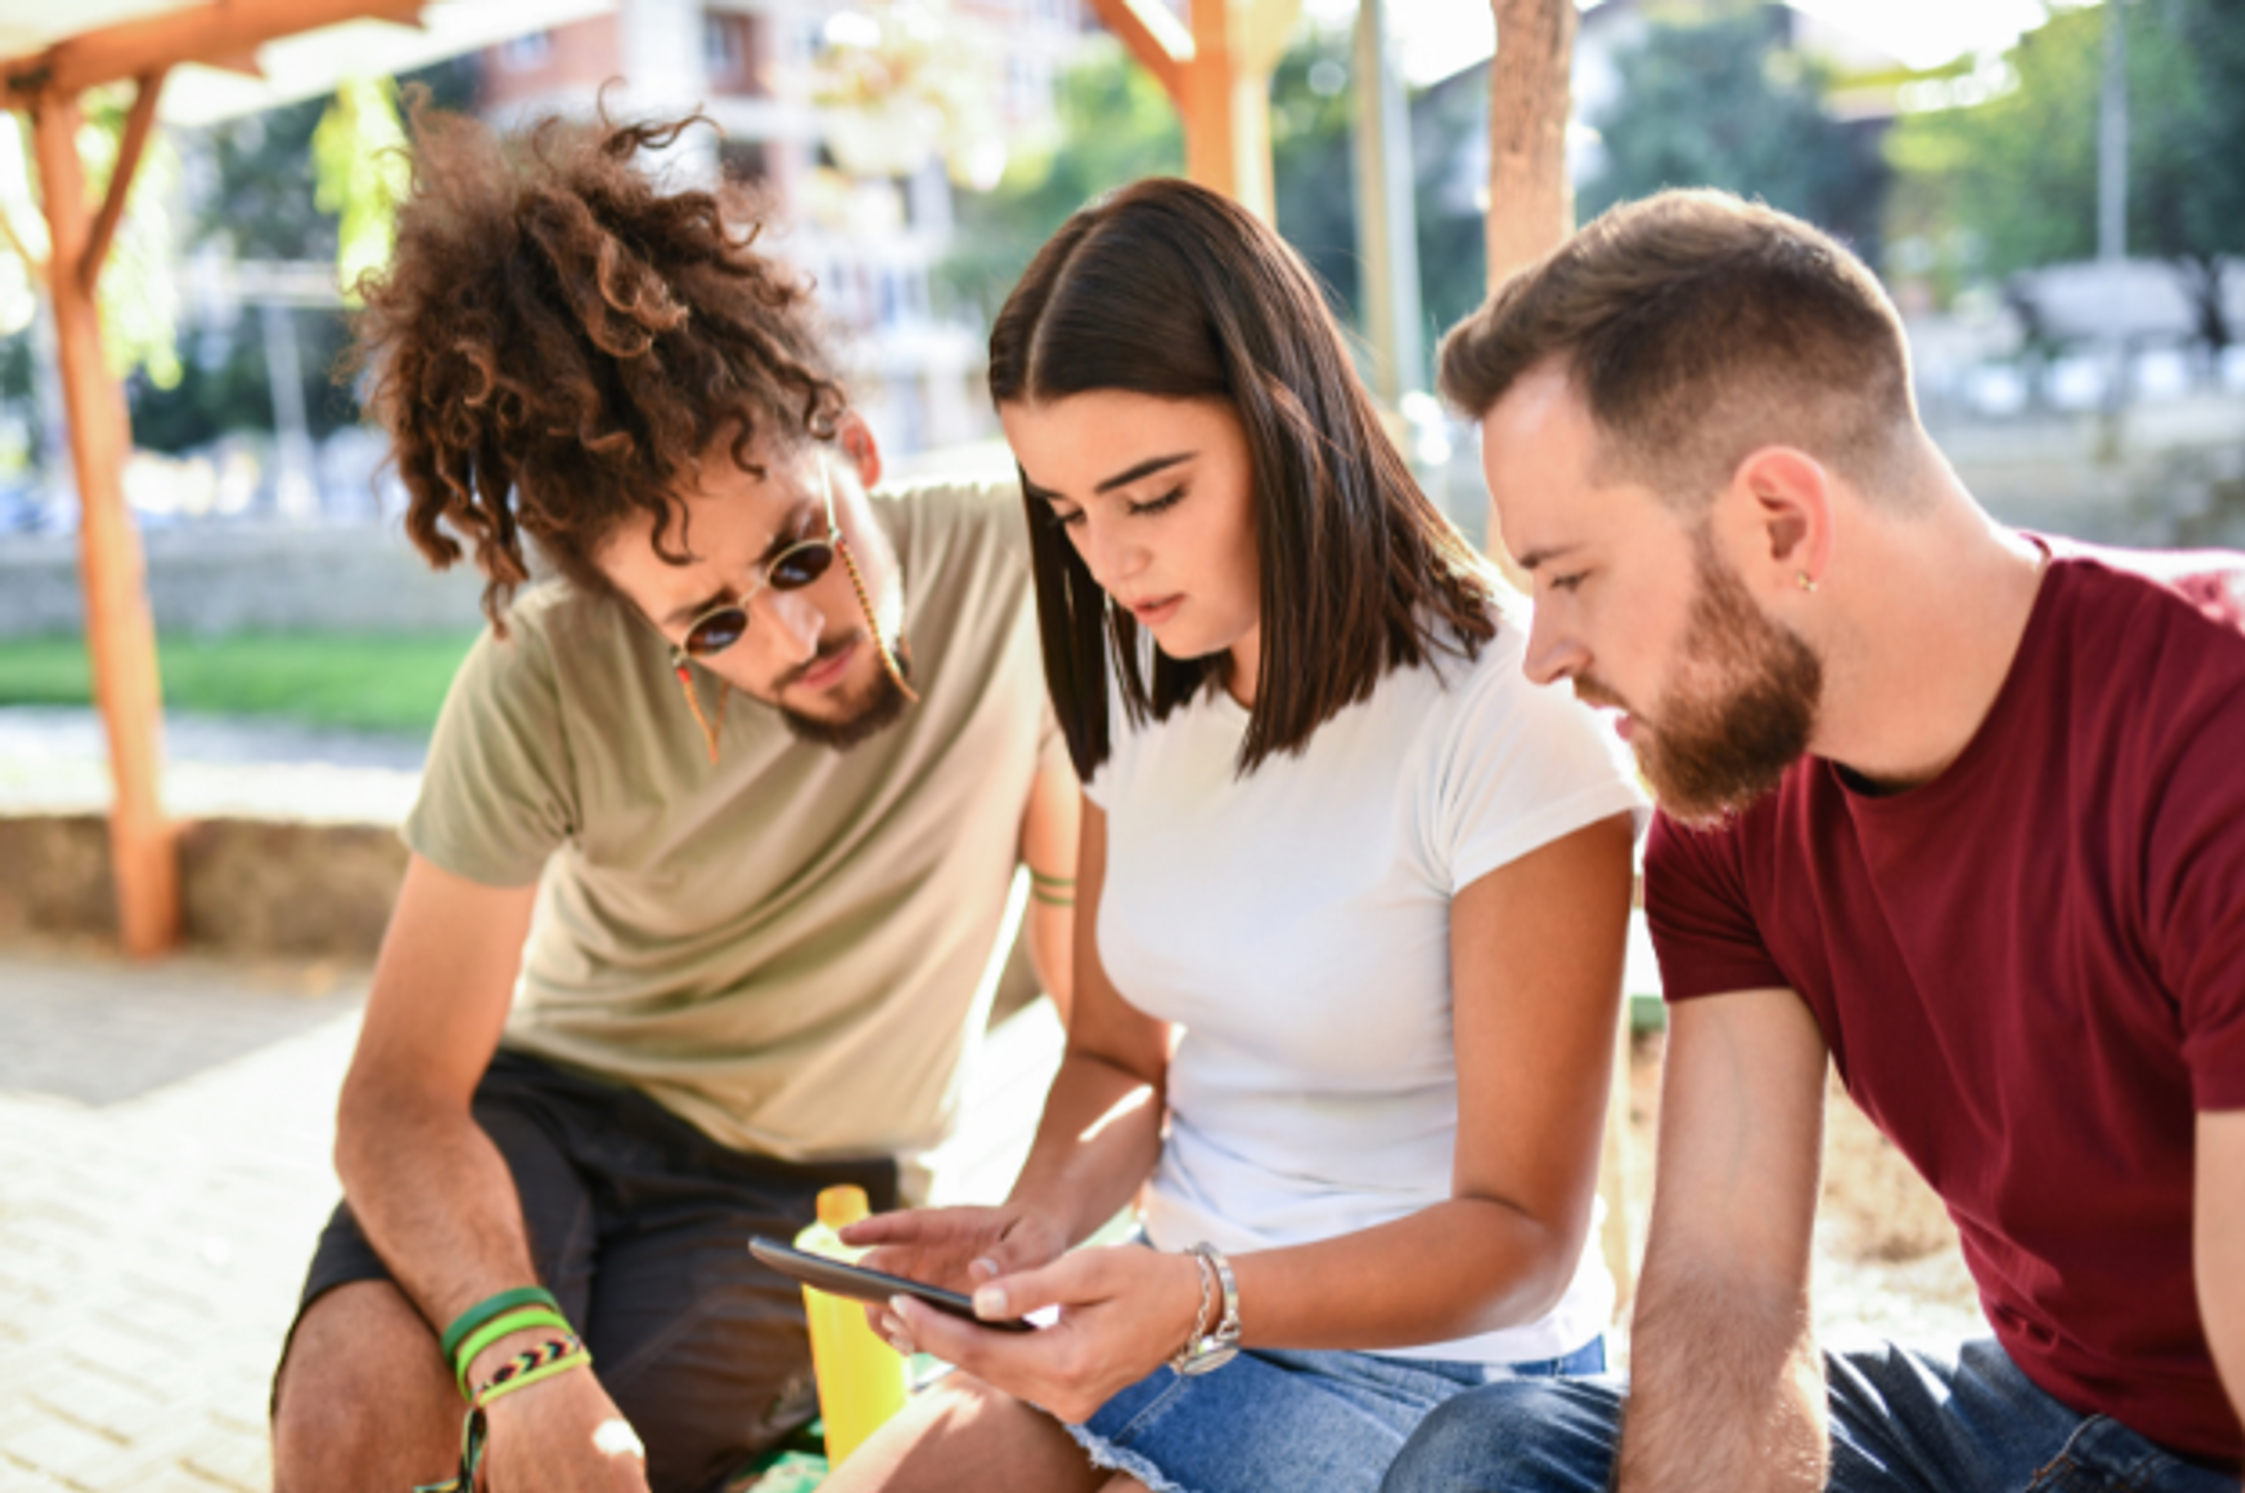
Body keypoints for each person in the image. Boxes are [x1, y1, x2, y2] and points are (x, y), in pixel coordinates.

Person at [266, 108, 1080, 1493]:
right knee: (354, 1412)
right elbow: (398, 1097)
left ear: (858, 449)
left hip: (805, 1168)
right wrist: (518, 1353)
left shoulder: (1034, 565)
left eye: (802, 551)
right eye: (706, 625)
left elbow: (1110, 1012)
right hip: (547, 1110)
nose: (786, 635)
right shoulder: (540, 678)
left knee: (602, 1466)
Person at [1381, 189, 2245, 1493]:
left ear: (1781, 521)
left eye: (1570, 577)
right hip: (2040, 1408)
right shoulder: (1729, 818)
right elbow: (1728, 1297)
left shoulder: (2210, 735)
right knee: (1488, 1462)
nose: (1546, 654)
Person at [814, 178, 1646, 1493]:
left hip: (1454, 1375)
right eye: (1071, 513)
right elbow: (1112, 1053)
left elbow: (1521, 1237)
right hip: (1171, 1312)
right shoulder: (1141, 686)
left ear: (1284, 421)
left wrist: (1204, 1297)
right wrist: (1034, 1236)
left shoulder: (1508, 711)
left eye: (1152, 495)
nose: (1114, 564)